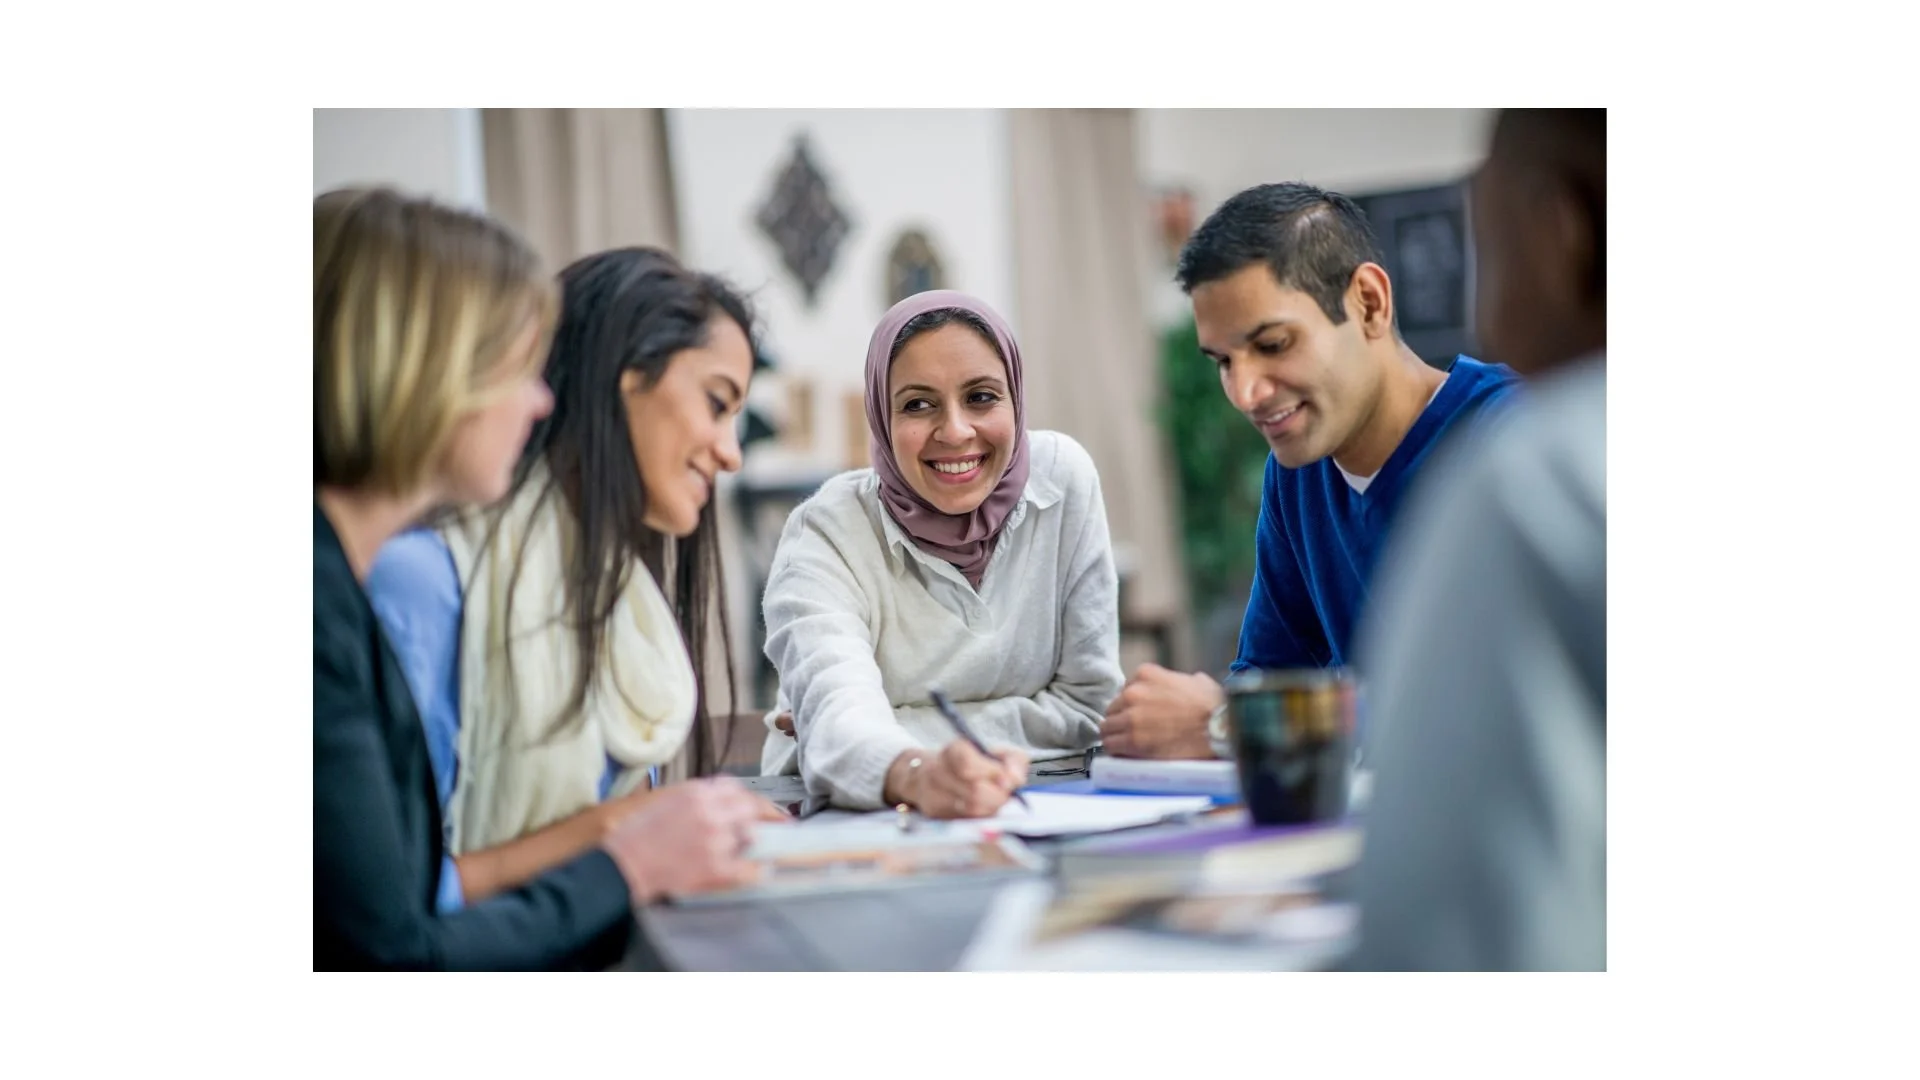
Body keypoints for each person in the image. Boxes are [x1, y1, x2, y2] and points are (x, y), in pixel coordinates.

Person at [315, 188, 774, 970]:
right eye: (716, 403)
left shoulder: (620, 601)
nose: (539, 399)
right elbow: (387, 929)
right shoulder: (411, 583)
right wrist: (624, 843)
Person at [1100, 181, 1521, 761]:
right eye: (1224, 361)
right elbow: (1270, 678)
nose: (1246, 393)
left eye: (1273, 344)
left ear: (1369, 303)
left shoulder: (1511, 440)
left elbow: (1499, 706)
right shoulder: (1298, 473)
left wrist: (1230, 724)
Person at [1347, 109, 1607, 970]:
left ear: (1559, 231)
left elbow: (1446, 941)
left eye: (1486, 247)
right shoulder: (1296, 474)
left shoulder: (1534, 474)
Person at [759, 290, 1122, 816]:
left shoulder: (1064, 480)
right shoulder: (826, 533)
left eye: (981, 397)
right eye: (917, 404)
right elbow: (838, 725)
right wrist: (912, 771)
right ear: (881, 418)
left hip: (1043, 803)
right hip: (852, 821)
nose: (955, 431)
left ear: (1015, 399)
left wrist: (891, 728)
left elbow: (1088, 707)